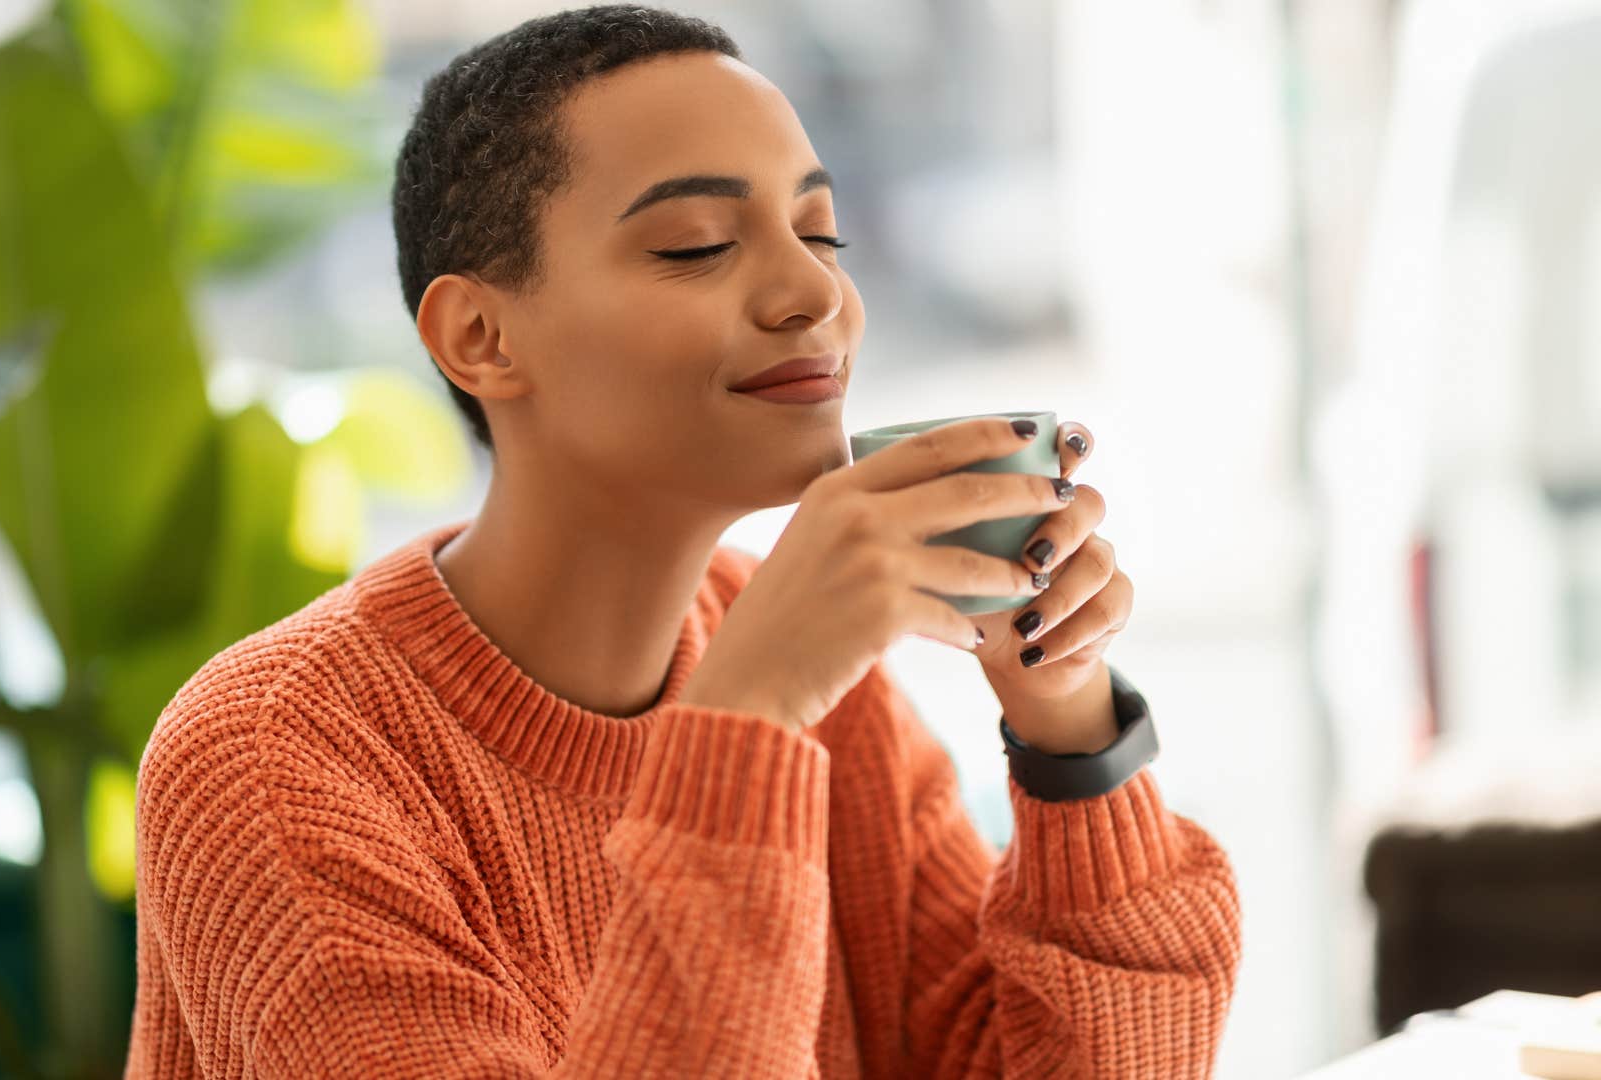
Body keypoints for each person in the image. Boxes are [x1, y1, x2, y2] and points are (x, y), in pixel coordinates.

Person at [123, 6, 1241, 1077]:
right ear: (480, 337)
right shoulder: (273, 764)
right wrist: (744, 724)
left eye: (821, 230)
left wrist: (1068, 733)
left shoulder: (829, 701)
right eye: (698, 246)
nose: (816, 291)